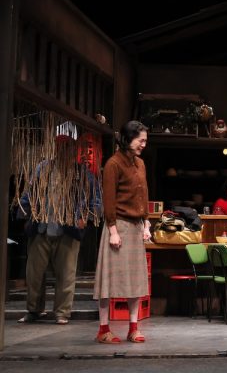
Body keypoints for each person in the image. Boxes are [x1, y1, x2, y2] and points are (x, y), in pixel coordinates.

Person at [17, 134, 102, 325]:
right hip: (42, 227)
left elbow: (96, 200)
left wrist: (85, 218)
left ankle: (62, 312)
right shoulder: (43, 168)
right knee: (34, 274)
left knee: (66, 274)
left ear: (74, 150)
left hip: (68, 230)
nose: (63, 152)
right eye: (60, 147)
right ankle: (33, 310)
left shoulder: (82, 173)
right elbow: (29, 192)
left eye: (68, 148)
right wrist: (26, 214)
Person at [93, 121, 151, 344]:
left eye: (145, 141)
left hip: (136, 227)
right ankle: (103, 329)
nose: (143, 144)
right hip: (118, 225)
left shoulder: (140, 164)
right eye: (140, 140)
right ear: (128, 139)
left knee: (135, 281)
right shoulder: (113, 164)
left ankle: (133, 328)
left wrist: (146, 223)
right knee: (108, 281)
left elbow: (144, 194)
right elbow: (109, 199)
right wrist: (113, 230)